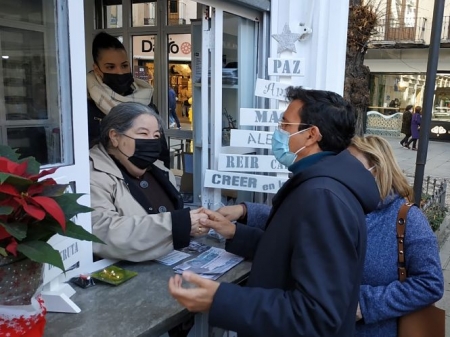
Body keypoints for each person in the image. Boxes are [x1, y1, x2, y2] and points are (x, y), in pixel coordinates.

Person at [168, 86, 380, 337]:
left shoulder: (323, 197)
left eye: (285, 124)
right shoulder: (319, 183)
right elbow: (288, 254)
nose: (278, 132)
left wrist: (221, 300)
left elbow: (316, 315)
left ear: (311, 135)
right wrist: (235, 233)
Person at [348, 135, 443, 337]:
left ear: (378, 169)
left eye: (353, 167)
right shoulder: (340, 210)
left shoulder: (409, 219)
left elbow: (430, 283)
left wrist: (365, 304)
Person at [89, 102, 207, 261]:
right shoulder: (92, 175)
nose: (152, 141)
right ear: (115, 137)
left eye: (156, 136)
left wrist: (192, 226)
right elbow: (102, 233)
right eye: (143, 134)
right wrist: (178, 224)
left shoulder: (161, 171)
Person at [87, 32, 170, 168]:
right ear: (97, 69)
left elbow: (161, 149)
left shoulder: (145, 101)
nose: (120, 72)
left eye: (124, 65)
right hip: (105, 180)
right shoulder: (84, 104)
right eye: (110, 67)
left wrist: (163, 177)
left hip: (145, 178)